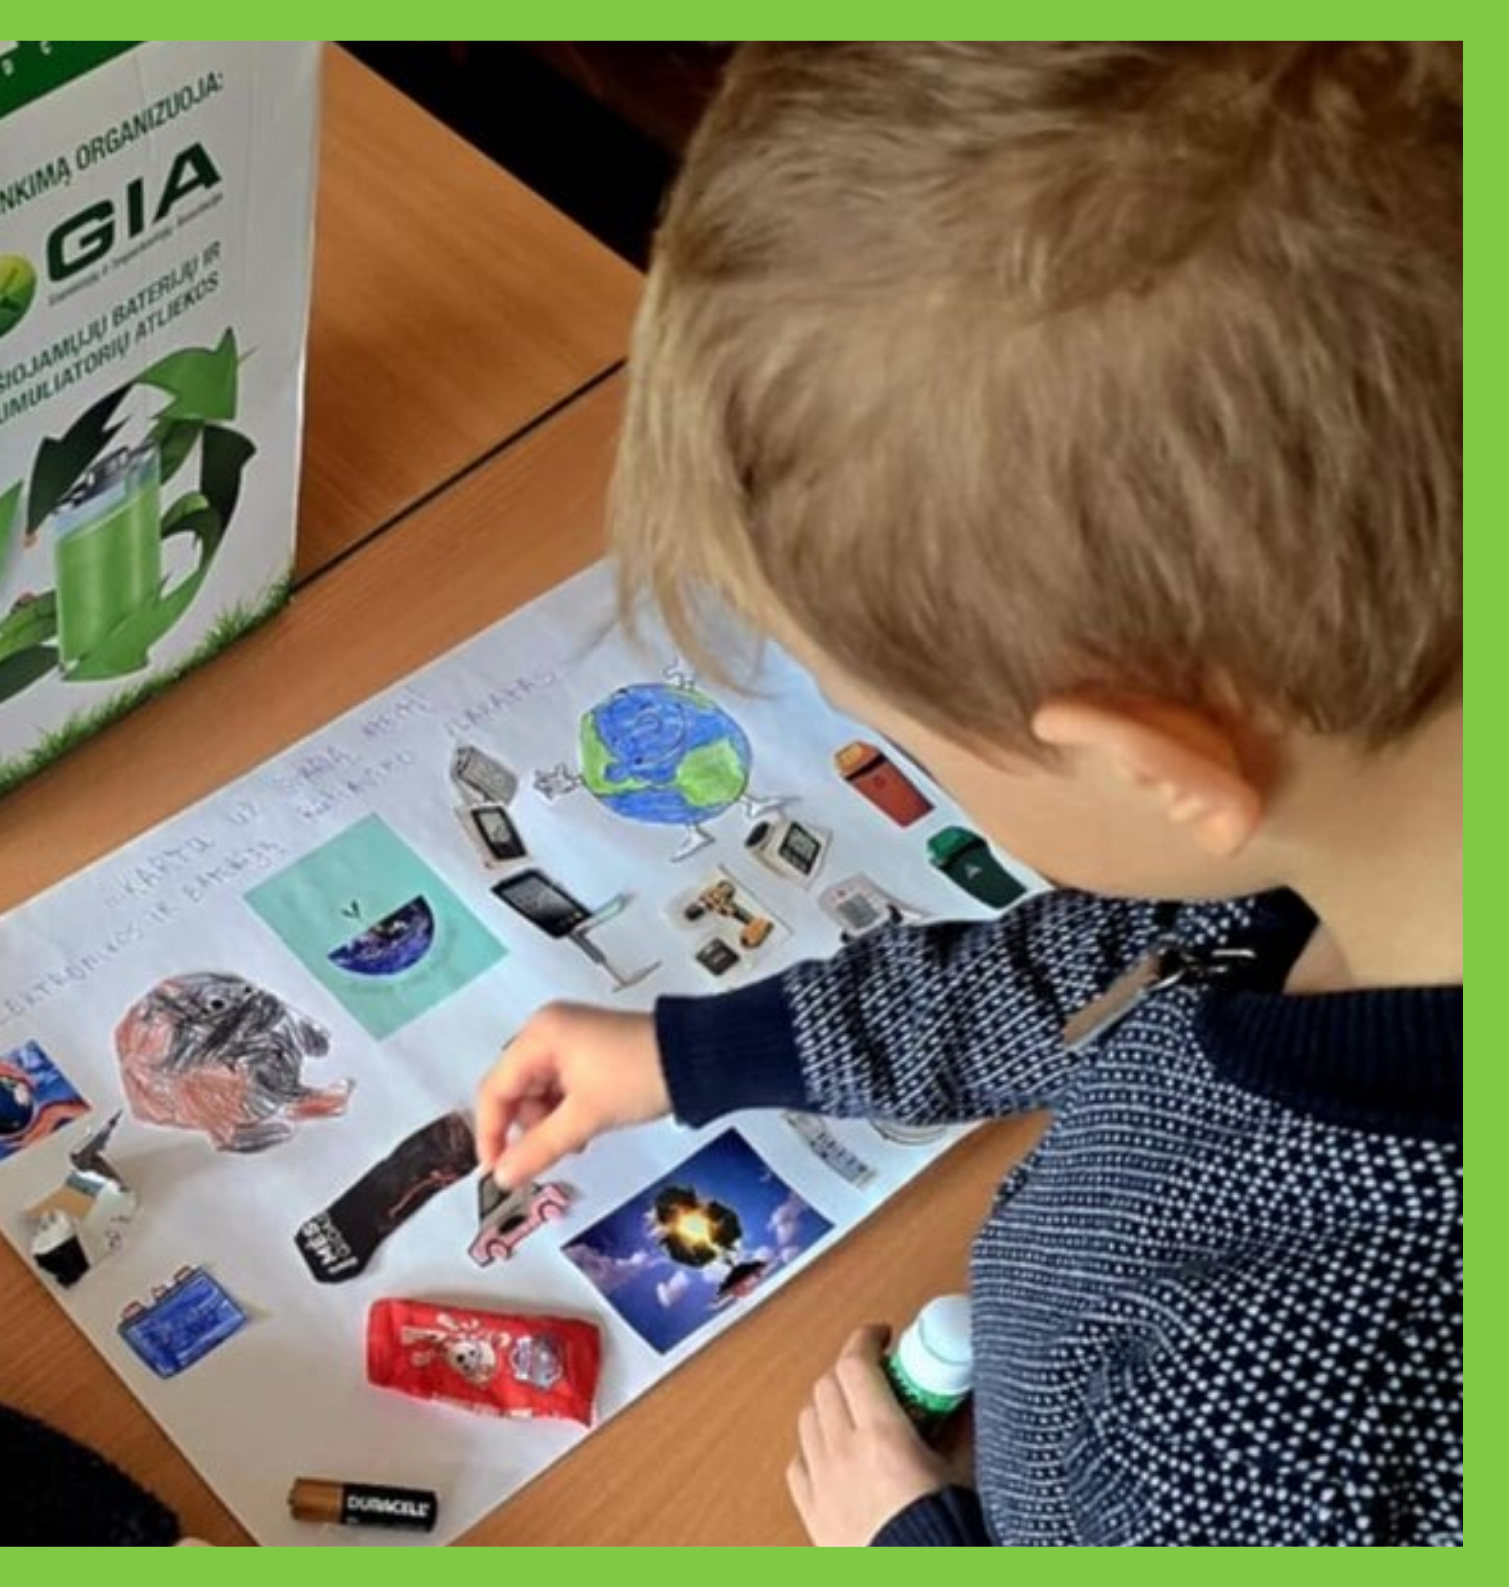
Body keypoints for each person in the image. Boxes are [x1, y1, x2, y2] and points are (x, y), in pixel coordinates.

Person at [477, 42, 1460, 1546]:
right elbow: (1095, 981)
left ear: (1154, 766)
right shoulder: (1344, 846)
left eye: (909, 740)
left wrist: (910, 1537)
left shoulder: (1270, 1454)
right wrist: (696, 1051)